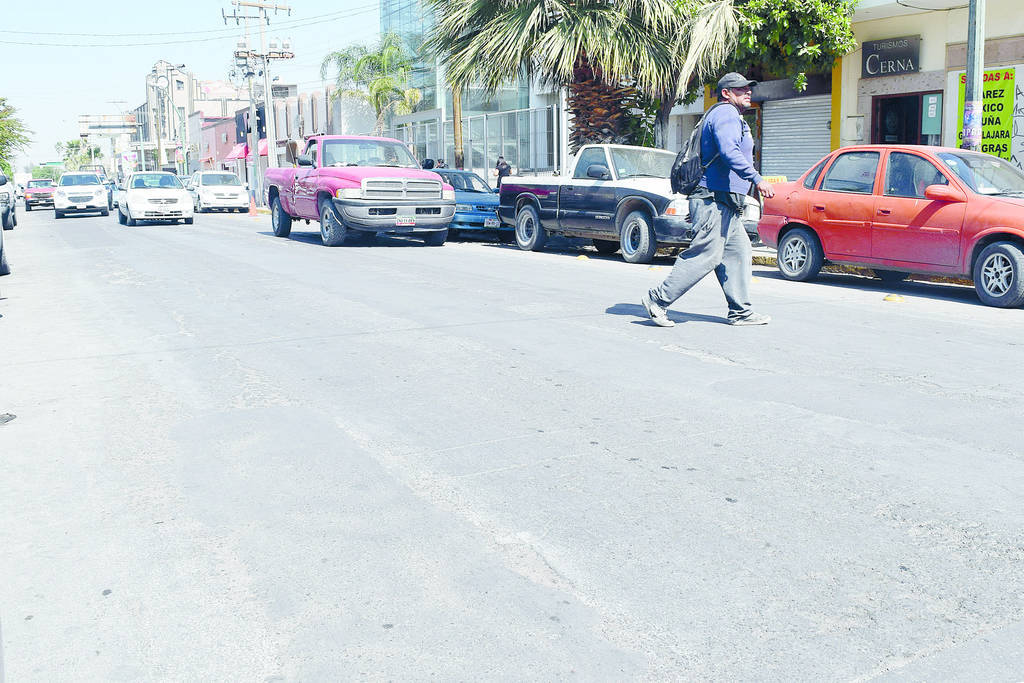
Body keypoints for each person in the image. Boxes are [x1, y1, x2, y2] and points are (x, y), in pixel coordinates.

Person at [641, 72, 774, 327]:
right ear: (726, 93)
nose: (748, 92)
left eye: (749, 88)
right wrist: (757, 179)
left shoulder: (730, 116)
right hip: (713, 200)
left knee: (738, 252)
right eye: (741, 89)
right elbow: (729, 151)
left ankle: (741, 312)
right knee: (706, 254)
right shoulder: (726, 113)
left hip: (725, 203)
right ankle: (658, 299)